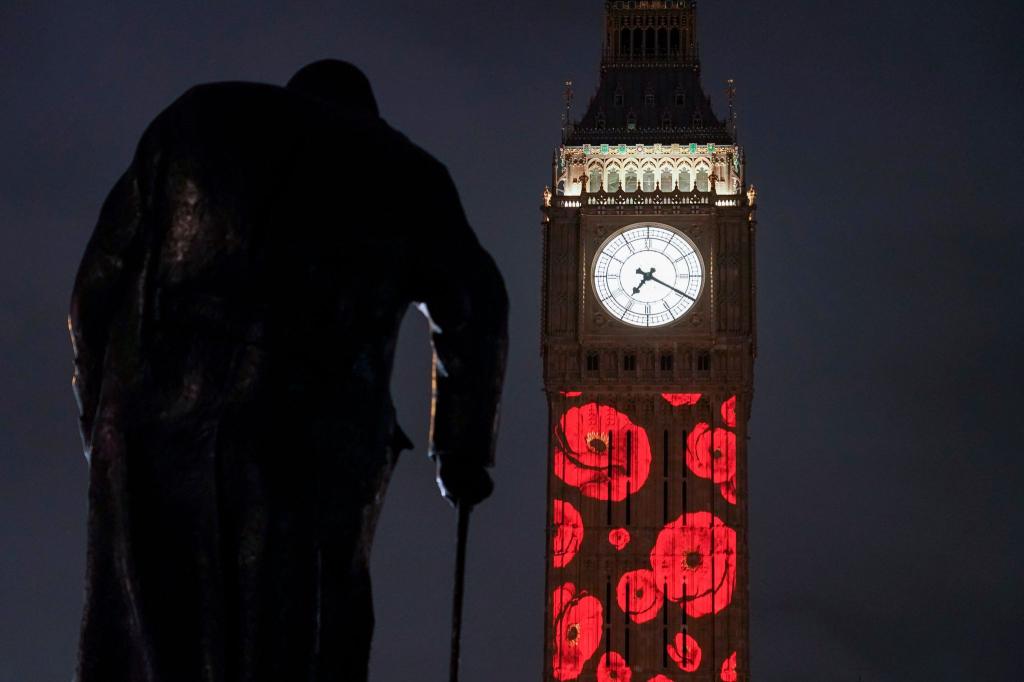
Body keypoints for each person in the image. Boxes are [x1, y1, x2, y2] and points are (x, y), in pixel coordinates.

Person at [69, 60, 508, 682]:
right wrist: (462, 454)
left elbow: (94, 287)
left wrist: (101, 420)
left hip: (151, 423)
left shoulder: (193, 118)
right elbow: (477, 304)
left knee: (148, 633)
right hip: (304, 432)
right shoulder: (406, 173)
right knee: (294, 641)